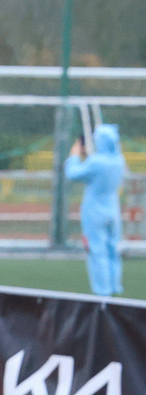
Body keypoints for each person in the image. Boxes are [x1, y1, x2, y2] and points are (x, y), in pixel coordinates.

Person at [65, 124, 127, 297]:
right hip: (113, 210)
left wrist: (75, 156)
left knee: (97, 251)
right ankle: (114, 286)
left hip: (95, 212)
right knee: (112, 250)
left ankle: (102, 291)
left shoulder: (96, 162)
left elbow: (73, 173)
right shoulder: (119, 160)